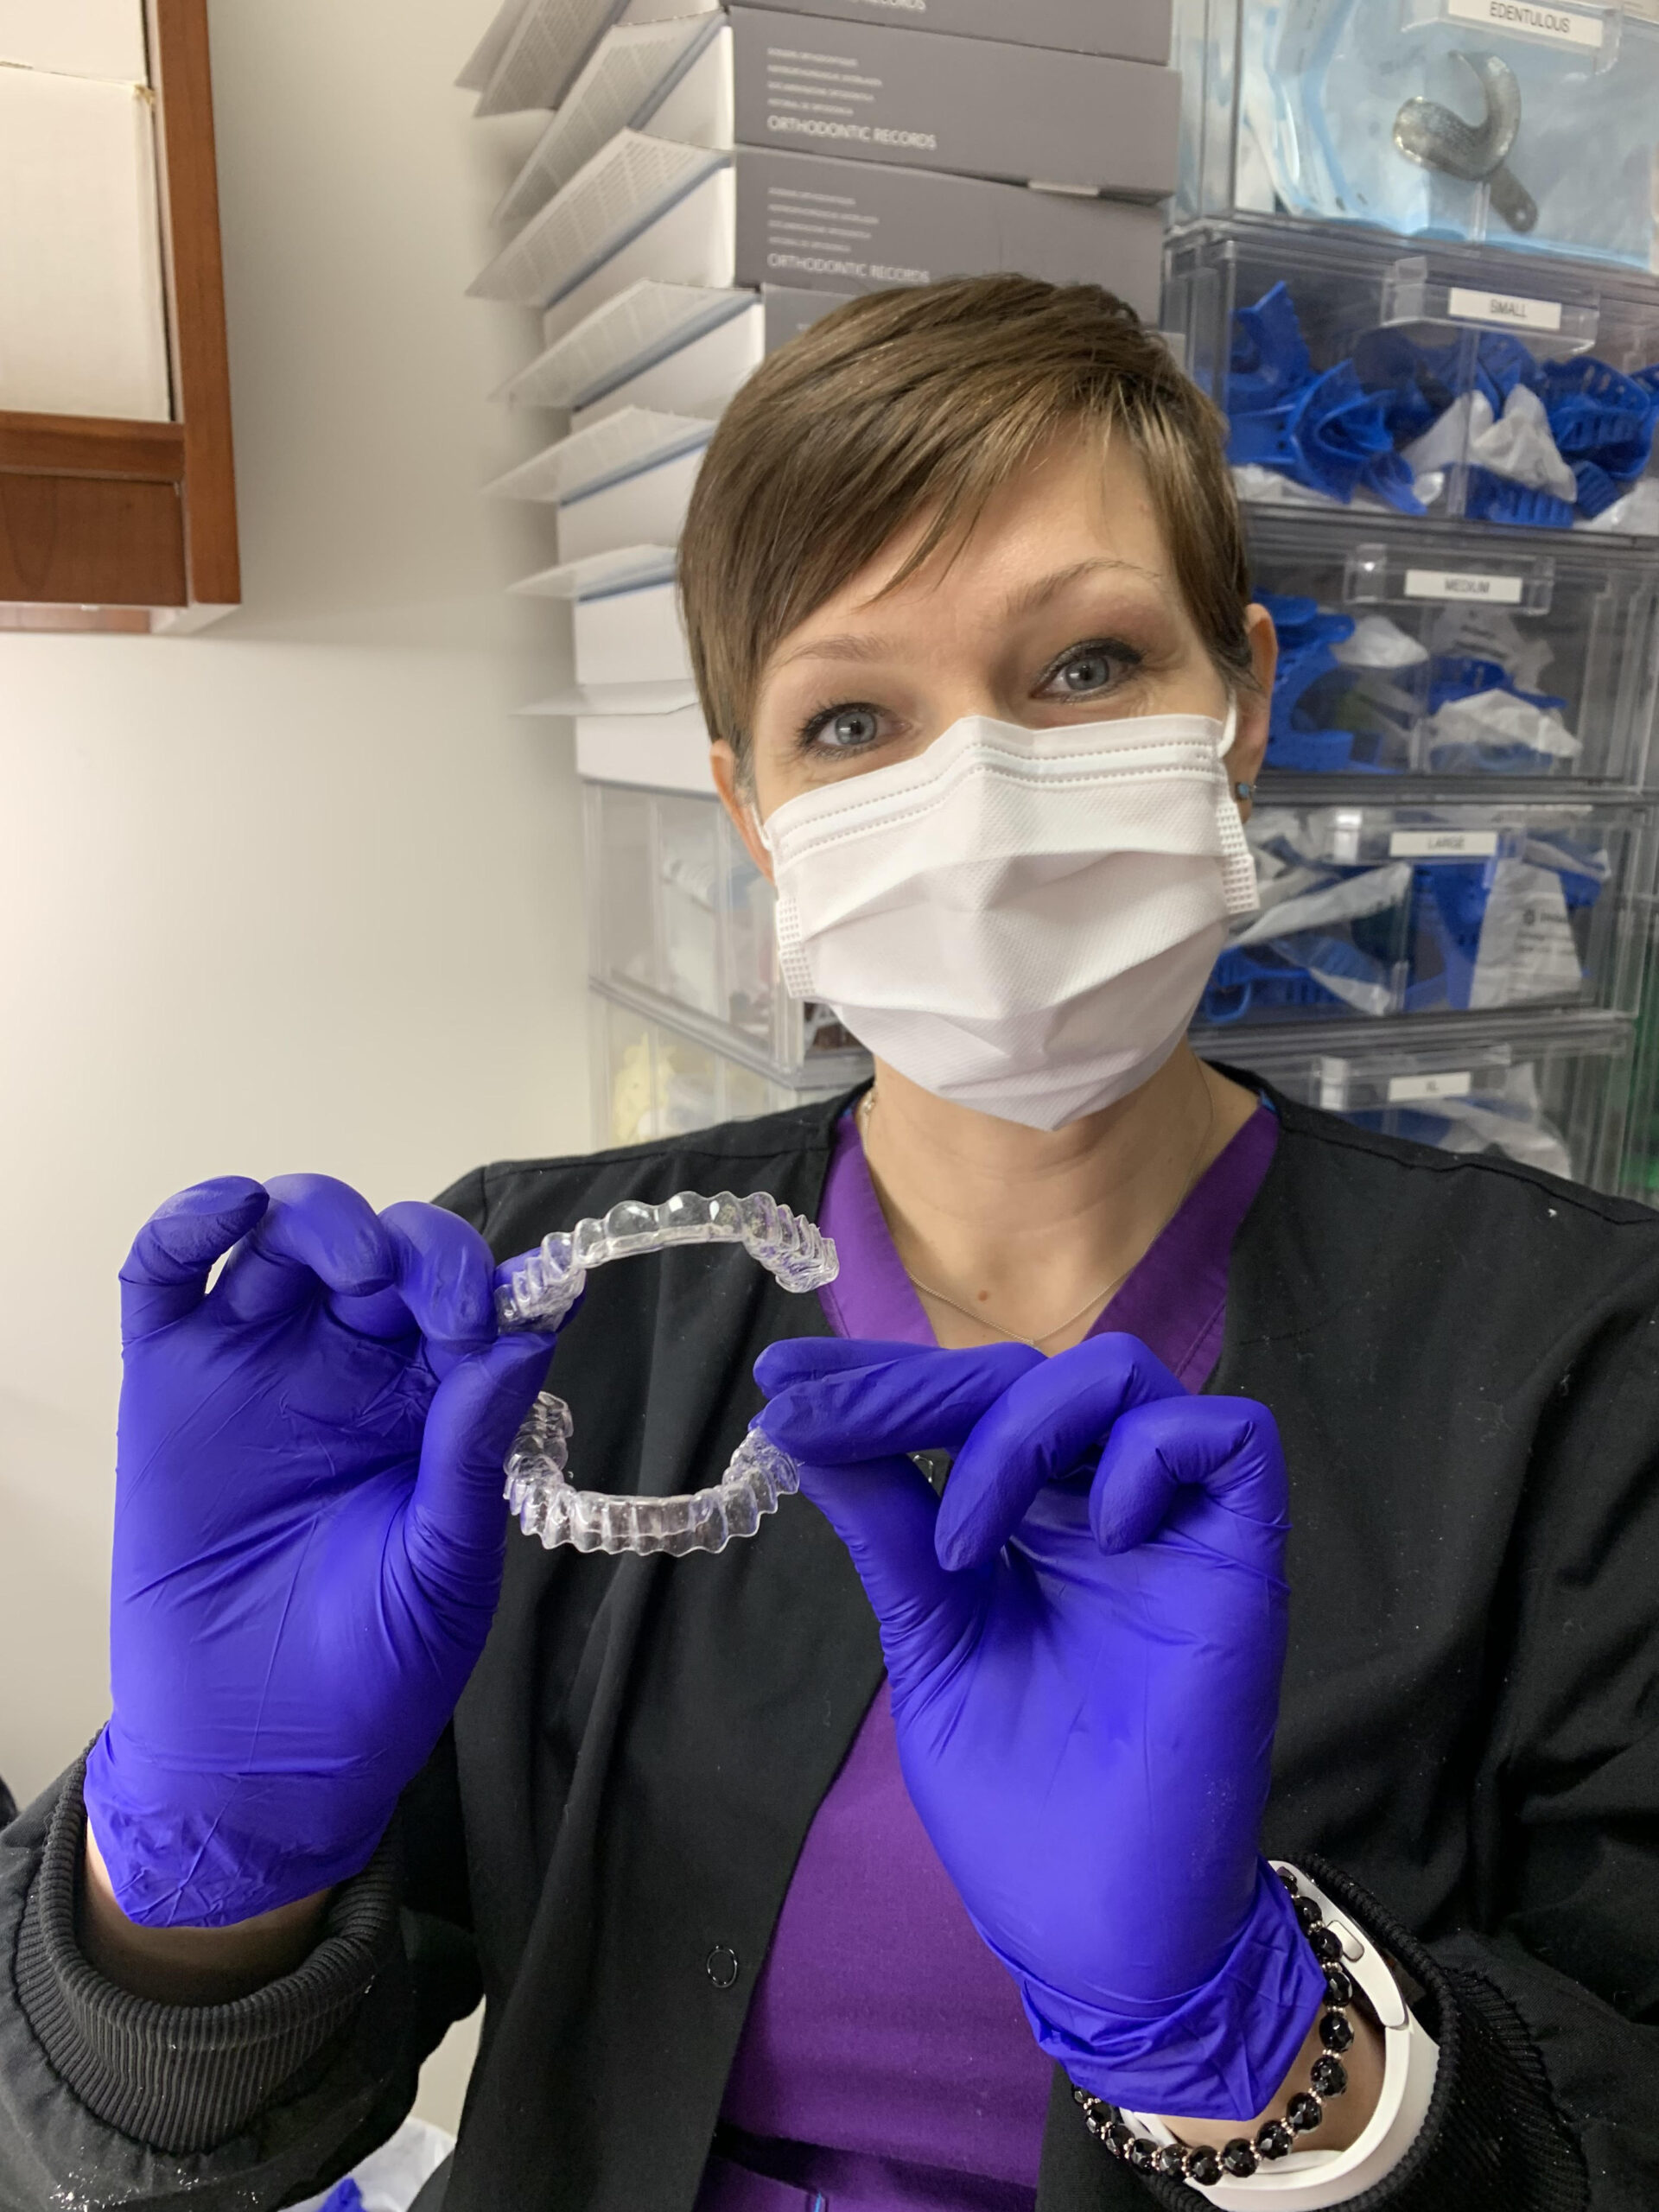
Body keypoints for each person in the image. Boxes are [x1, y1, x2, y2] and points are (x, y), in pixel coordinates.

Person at [1, 277, 1656, 2212]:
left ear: (1250, 700)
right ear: (751, 806)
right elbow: (160, 2129)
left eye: (1091, 666)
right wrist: (194, 1861)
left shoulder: (1586, 1360)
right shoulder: (531, 1316)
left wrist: (1263, 2045)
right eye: (854, 715)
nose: (979, 796)